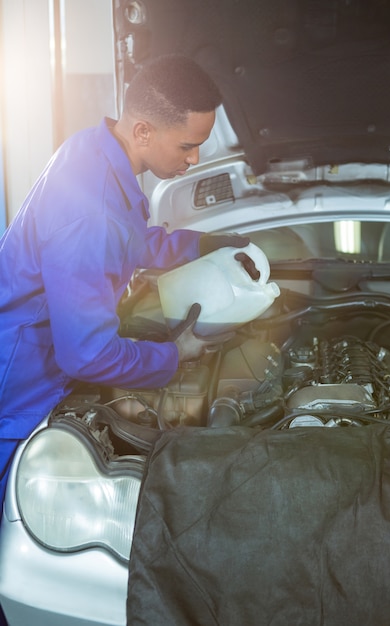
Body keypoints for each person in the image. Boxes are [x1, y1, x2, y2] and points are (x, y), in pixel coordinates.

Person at [0, 54, 252, 525]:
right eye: (187, 146)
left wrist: (202, 243)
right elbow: (86, 355)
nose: (194, 159)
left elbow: (128, 240)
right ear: (142, 132)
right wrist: (173, 357)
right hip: (14, 392)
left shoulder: (95, 152)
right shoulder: (90, 211)